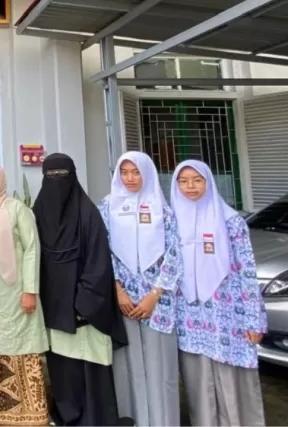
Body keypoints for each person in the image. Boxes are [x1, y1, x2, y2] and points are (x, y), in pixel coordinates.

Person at [33, 153, 128, 426]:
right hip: (52, 307)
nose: (56, 182)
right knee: (62, 368)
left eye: (61, 175)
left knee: (90, 368)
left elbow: (99, 264)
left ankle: (95, 419)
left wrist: (83, 303)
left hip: (83, 310)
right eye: (50, 176)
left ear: (73, 176)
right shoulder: (39, 211)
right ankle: (67, 417)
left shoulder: (88, 214)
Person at [171, 160, 267, 426]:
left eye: (197, 180)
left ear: (208, 182)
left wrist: (253, 318)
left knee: (232, 376)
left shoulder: (231, 221)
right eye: (183, 181)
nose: (190, 187)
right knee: (197, 379)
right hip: (189, 314)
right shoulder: (171, 220)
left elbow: (246, 272)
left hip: (228, 312)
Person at [98, 152, 182, 426]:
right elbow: (101, 251)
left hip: (158, 299)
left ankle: (162, 420)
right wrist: (118, 290)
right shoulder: (108, 206)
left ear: (147, 173)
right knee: (128, 364)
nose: (130, 178)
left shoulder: (163, 208)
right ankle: (132, 418)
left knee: (161, 365)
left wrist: (155, 294)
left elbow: (175, 254)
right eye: (125, 172)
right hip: (123, 298)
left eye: (136, 172)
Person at [0, 162, 50, 426]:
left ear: (1, 181)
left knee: (22, 349)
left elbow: (32, 250)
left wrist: (30, 290)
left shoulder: (17, 209)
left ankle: (32, 415)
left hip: (16, 293)